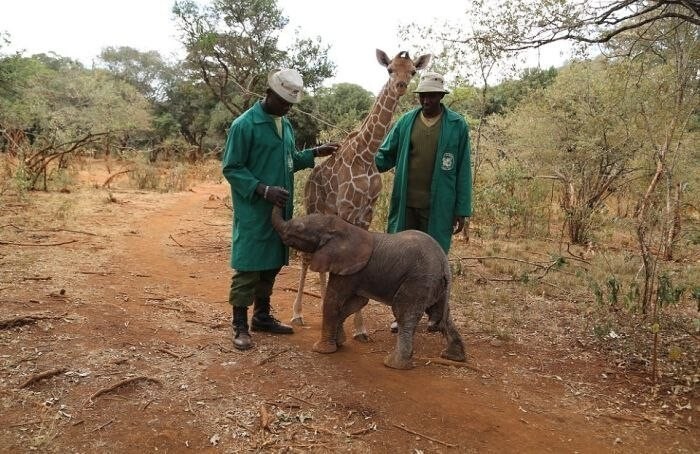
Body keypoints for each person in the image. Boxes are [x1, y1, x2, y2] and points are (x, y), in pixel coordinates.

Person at [222, 68, 338, 350]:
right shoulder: (244, 125)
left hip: (279, 210)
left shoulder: (284, 125)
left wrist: (313, 154)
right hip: (253, 209)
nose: (287, 108)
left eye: (291, 104)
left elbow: (288, 161)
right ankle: (239, 323)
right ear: (269, 93)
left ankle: (262, 316)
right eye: (283, 101)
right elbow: (232, 167)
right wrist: (263, 189)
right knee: (248, 265)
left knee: (272, 263)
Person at [374, 71, 472, 333]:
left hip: (439, 206)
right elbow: (384, 156)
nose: (427, 100)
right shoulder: (406, 122)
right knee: (401, 260)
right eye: (423, 96)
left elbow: (464, 169)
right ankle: (401, 314)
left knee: (435, 262)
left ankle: (436, 314)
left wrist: (462, 209)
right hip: (407, 204)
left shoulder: (457, 125)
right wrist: (363, 157)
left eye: (432, 96)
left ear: (441, 96)